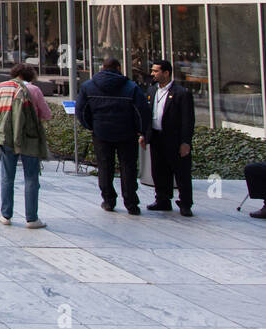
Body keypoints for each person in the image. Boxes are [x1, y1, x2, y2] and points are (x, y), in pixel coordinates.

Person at [78, 56, 148, 214]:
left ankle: (108, 201)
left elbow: (81, 111)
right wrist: (140, 130)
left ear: (102, 68)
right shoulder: (131, 87)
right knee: (128, 167)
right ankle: (131, 203)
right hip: (127, 134)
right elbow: (142, 111)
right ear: (118, 68)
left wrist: (92, 126)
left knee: (104, 167)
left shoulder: (88, 86)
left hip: (101, 133)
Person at [0, 63, 48, 228]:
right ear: (30, 75)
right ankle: (32, 218)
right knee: (31, 178)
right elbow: (46, 114)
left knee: (7, 177)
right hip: (29, 139)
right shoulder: (33, 90)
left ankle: (6, 215)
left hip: (5, 137)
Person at [146, 59, 194, 216]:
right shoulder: (152, 91)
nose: (152, 74)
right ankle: (162, 200)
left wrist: (185, 142)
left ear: (166, 73)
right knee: (159, 171)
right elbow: (148, 115)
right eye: (152, 71)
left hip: (174, 139)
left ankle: (185, 204)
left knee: (181, 173)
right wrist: (144, 135)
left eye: (156, 71)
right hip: (157, 137)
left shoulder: (181, 93)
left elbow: (188, 120)